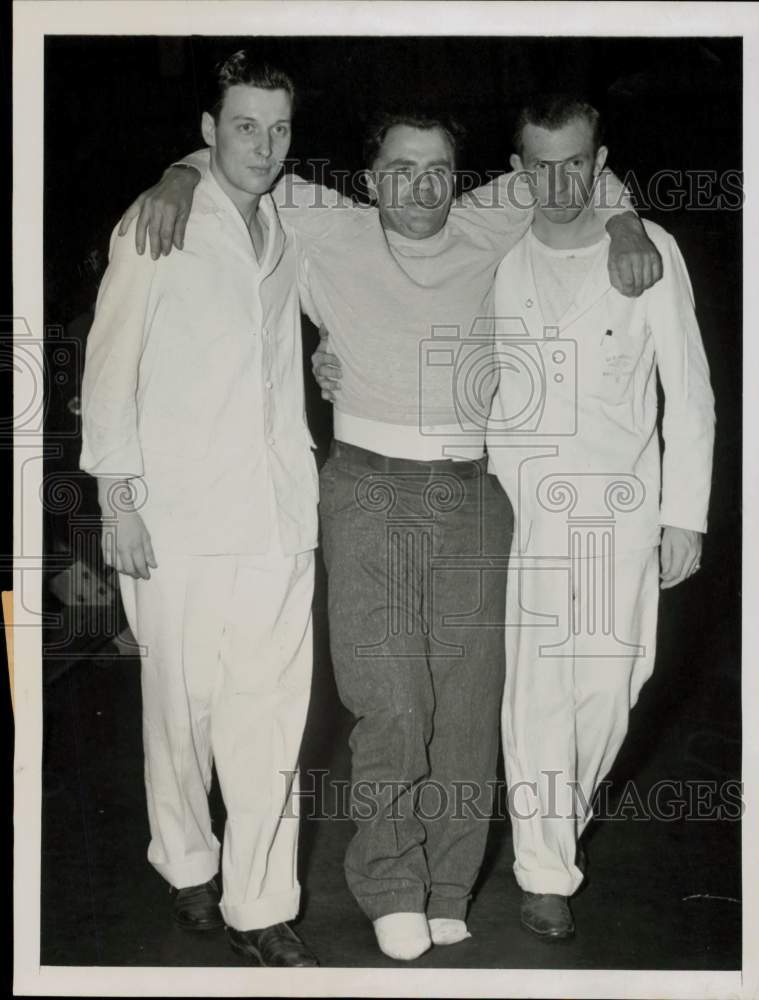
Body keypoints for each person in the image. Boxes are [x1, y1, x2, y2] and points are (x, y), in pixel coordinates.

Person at [120, 105, 662, 961]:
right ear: (370, 180)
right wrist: (178, 172)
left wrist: (627, 219)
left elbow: (580, 171)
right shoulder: (326, 223)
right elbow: (240, 160)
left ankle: (449, 886)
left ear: (462, 177)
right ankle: (388, 885)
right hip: (365, 491)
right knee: (391, 703)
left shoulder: (491, 216)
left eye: (438, 169)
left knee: (468, 711)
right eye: (402, 169)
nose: (421, 186)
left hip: (473, 496)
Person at [79, 50, 320, 967]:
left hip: (277, 518)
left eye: (280, 128)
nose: (264, 146)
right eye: (245, 126)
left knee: (268, 717)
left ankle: (262, 905)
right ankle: (186, 866)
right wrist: (122, 502)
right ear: (208, 132)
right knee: (178, 711)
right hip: (174, 518)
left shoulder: (292, 223)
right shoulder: (156, 222)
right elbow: (108, 375)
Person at [486, 93, 716, 940]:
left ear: (598, 162)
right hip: (524, 508)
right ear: (518, 170)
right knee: (538, 693)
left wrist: (682, 517)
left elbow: (687, 394)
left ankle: (551, 835)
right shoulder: (499, 256)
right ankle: (545, 872)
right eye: (539, 165)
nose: (556, 182)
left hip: (621, 512)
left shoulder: (647, 252)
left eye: (573, 163)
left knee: (609, 692)